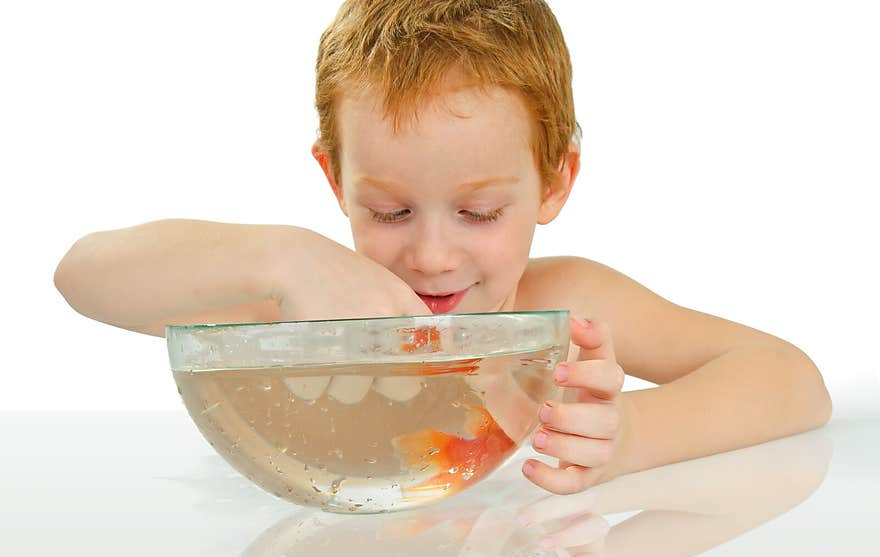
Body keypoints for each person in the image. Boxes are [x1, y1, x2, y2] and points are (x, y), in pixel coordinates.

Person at [53, 0, 832, 495]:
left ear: (555, 182)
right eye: (389, 211)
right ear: (335, 180)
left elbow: (792, 380)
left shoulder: (560, 308)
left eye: (480, 210)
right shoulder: (311, 308)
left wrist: (630, 437)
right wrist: (284, 257)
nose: (431, 256)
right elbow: (81, 275)